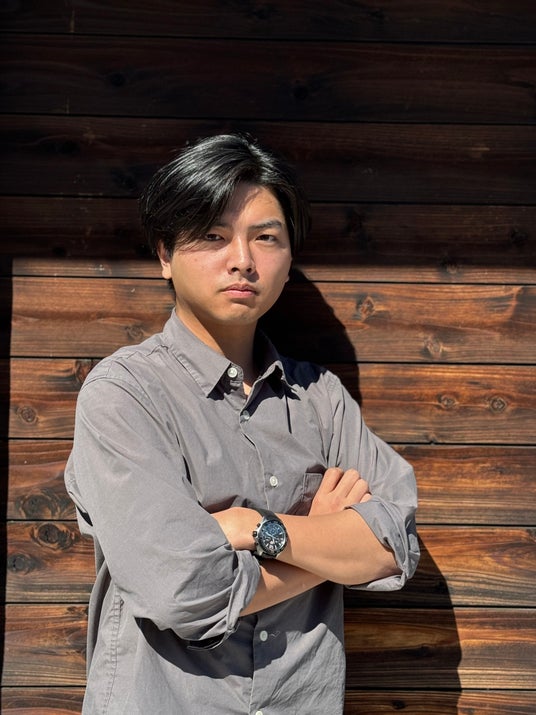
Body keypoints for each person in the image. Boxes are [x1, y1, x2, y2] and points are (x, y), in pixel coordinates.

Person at [65, 133, 419, 714]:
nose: (243, 260)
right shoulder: (125, 395)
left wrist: (253, 527)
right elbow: (183, 591)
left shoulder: (321, 398)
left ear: (289, 258)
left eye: (266, 237)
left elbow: (393, 543)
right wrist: (322, 544)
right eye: (213, 235)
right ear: (164, 255)